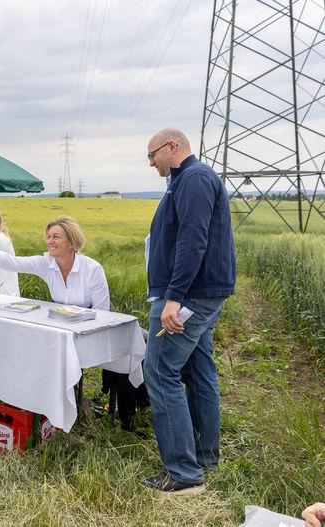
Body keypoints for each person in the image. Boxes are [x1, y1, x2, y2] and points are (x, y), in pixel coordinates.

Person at [141, 127, 236, 495]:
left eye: (153, 155)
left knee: (161, 370)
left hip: (189, 296)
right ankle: (204, 456)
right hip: (201, 294)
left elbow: (193, 238)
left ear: (173, 146)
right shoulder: (187, 179)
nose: (151, 163)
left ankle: (183, 472)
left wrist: (174, 297)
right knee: (198, 370)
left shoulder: (193, 178)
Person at [0, 215, 109, 310]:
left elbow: (102, 311)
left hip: (92, 326)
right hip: (64, 323)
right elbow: (13, 263)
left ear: (71, 242)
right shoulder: (46, 263)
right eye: (48, 237)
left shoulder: (93, 269)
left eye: (56, 237)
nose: (50, 241)